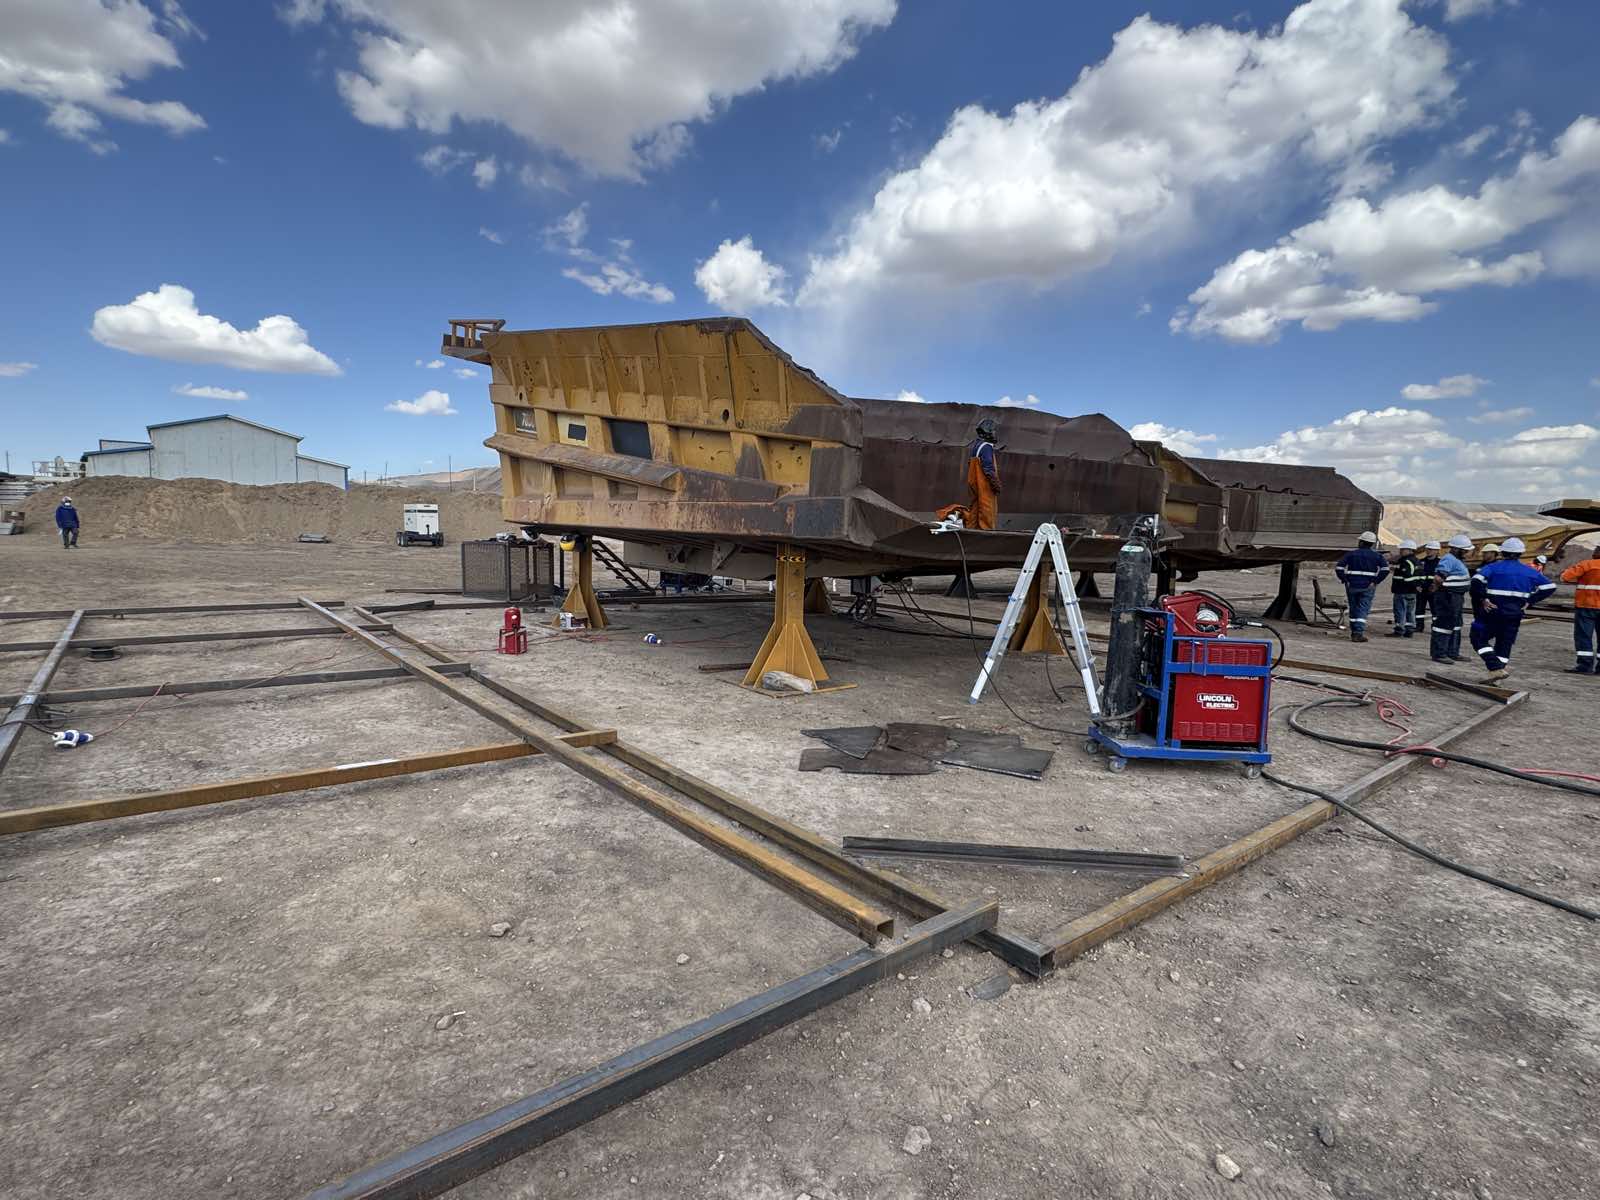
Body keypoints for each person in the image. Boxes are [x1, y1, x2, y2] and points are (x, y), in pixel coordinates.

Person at [1468, 536, 1556, 681]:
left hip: (1492, 611)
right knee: (1504, 643)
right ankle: (1497, 676)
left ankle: (1495, 668)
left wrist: (1484, 599)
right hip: (1515, 613)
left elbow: (1476, 581)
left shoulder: (1492, 568)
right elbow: (1550, 587)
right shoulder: (1529, 572)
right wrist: (1530, 601)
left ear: (1502, 553)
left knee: (1478, 637)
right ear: (1521, 553)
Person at [936, 416, 1002, 531]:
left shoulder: (976, 446)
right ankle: (985, 534)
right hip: (984, 485)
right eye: (993, 431)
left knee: (975, 508)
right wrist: (995, 484)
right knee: (987, 510)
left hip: (974, 484)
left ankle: (972, 530)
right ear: (989, 432)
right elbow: (988, 468)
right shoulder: (986, 447)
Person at [1335, 531, 1389, 643]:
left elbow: (1339, 567)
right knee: (1363, 609)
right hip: (1368, 587)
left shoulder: (1352, 554)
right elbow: (1385, 569)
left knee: (1353, 608)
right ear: (1372, 543)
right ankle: (1358, 633)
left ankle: (1354, 631)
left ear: (1362, 542)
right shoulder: (1377, 556)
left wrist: (1345, 579)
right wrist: (1375, 581)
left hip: (1352, 586)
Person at [1429, 535, 1473, 665]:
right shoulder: (1449, 559)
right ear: (1456, 549)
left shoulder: (1457, 560)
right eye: (1465, 550)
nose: (1467, 553)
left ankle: (1452, 652)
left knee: (1456, 624)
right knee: (1444, 624)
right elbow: (1438, 577)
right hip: (1447, 597)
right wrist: (1442, 588)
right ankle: (1439, 653)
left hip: (1456, 597)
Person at [1559, 545, 1600, 675]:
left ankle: (1585, 665)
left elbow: (1564, 577)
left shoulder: (1586, 564)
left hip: (1586, 606)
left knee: (1583, 636)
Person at [1388, 538, 1423, 637]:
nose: (1400, 551)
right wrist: (1418, 586)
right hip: (1412, 591)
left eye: (1402, 549)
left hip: (1402, 590)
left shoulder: (1405, 561)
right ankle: (1409, 630)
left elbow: (1407, 576)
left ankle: (1399, 629)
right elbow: (1420, 575)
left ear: (1409, 550)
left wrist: (1414, 585)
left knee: (1400, 610)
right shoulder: (1417, 561)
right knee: (1410, 611)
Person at [1416, 540, 1441, 633]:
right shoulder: (1421, 562)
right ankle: (1419, 625)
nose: (1429, 551)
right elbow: (1416, 574)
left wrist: (1436, 586)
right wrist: (1417, 585)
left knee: (1435, 610)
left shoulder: (1441, 563)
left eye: (1431, 549)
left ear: (1437, 551)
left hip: (1434, 590)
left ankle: (1435, 626)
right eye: (1428, 549)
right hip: (1421, 589)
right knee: (1419, 609)